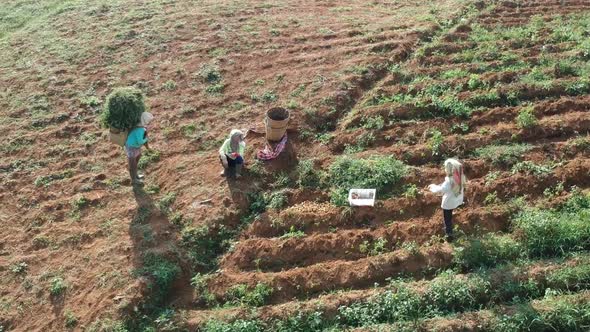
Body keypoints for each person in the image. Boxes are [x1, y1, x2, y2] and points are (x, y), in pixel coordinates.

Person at [428, 158, 467, 242]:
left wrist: (432, 187)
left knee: (447, 219)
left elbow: (441, 190)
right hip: (457, 200)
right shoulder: (460, 176)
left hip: (448, 203)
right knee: (451, 211)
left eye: (446, 168)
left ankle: (449, 234)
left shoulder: (449, 181)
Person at [125, 112, 154, 185]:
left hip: (136, 146)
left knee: (137, 159)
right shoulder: (139, 130)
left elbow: (142, 139)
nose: (150, 123)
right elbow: (140, 141)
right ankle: (134, 180)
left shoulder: (142, 128)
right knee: (132, 164)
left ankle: (136, 175)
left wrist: (147, 146)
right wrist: (146, 137)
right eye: (149, 122)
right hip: (131, 147)